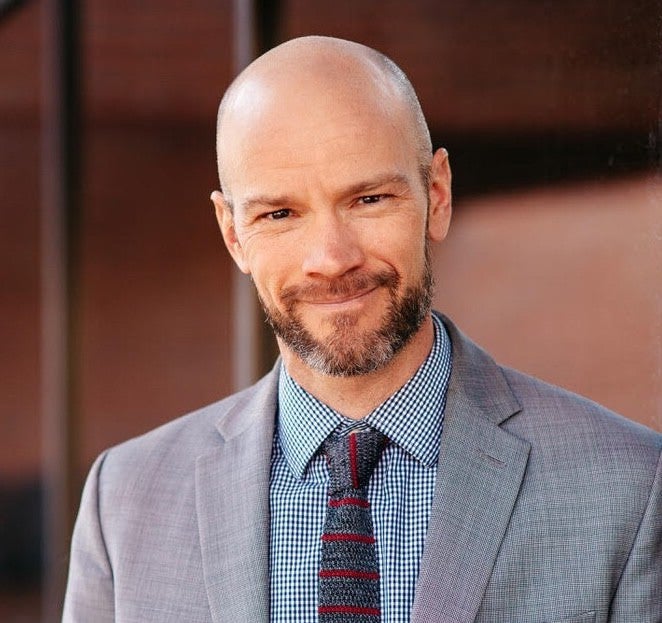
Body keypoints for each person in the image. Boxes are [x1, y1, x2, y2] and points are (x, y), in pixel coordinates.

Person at [62, 36, 661, 623]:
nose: (332, 257)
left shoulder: (629, 485)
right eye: (279, 214)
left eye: (369, 199)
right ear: (233, 233)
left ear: (438, 193)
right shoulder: (124, 502)